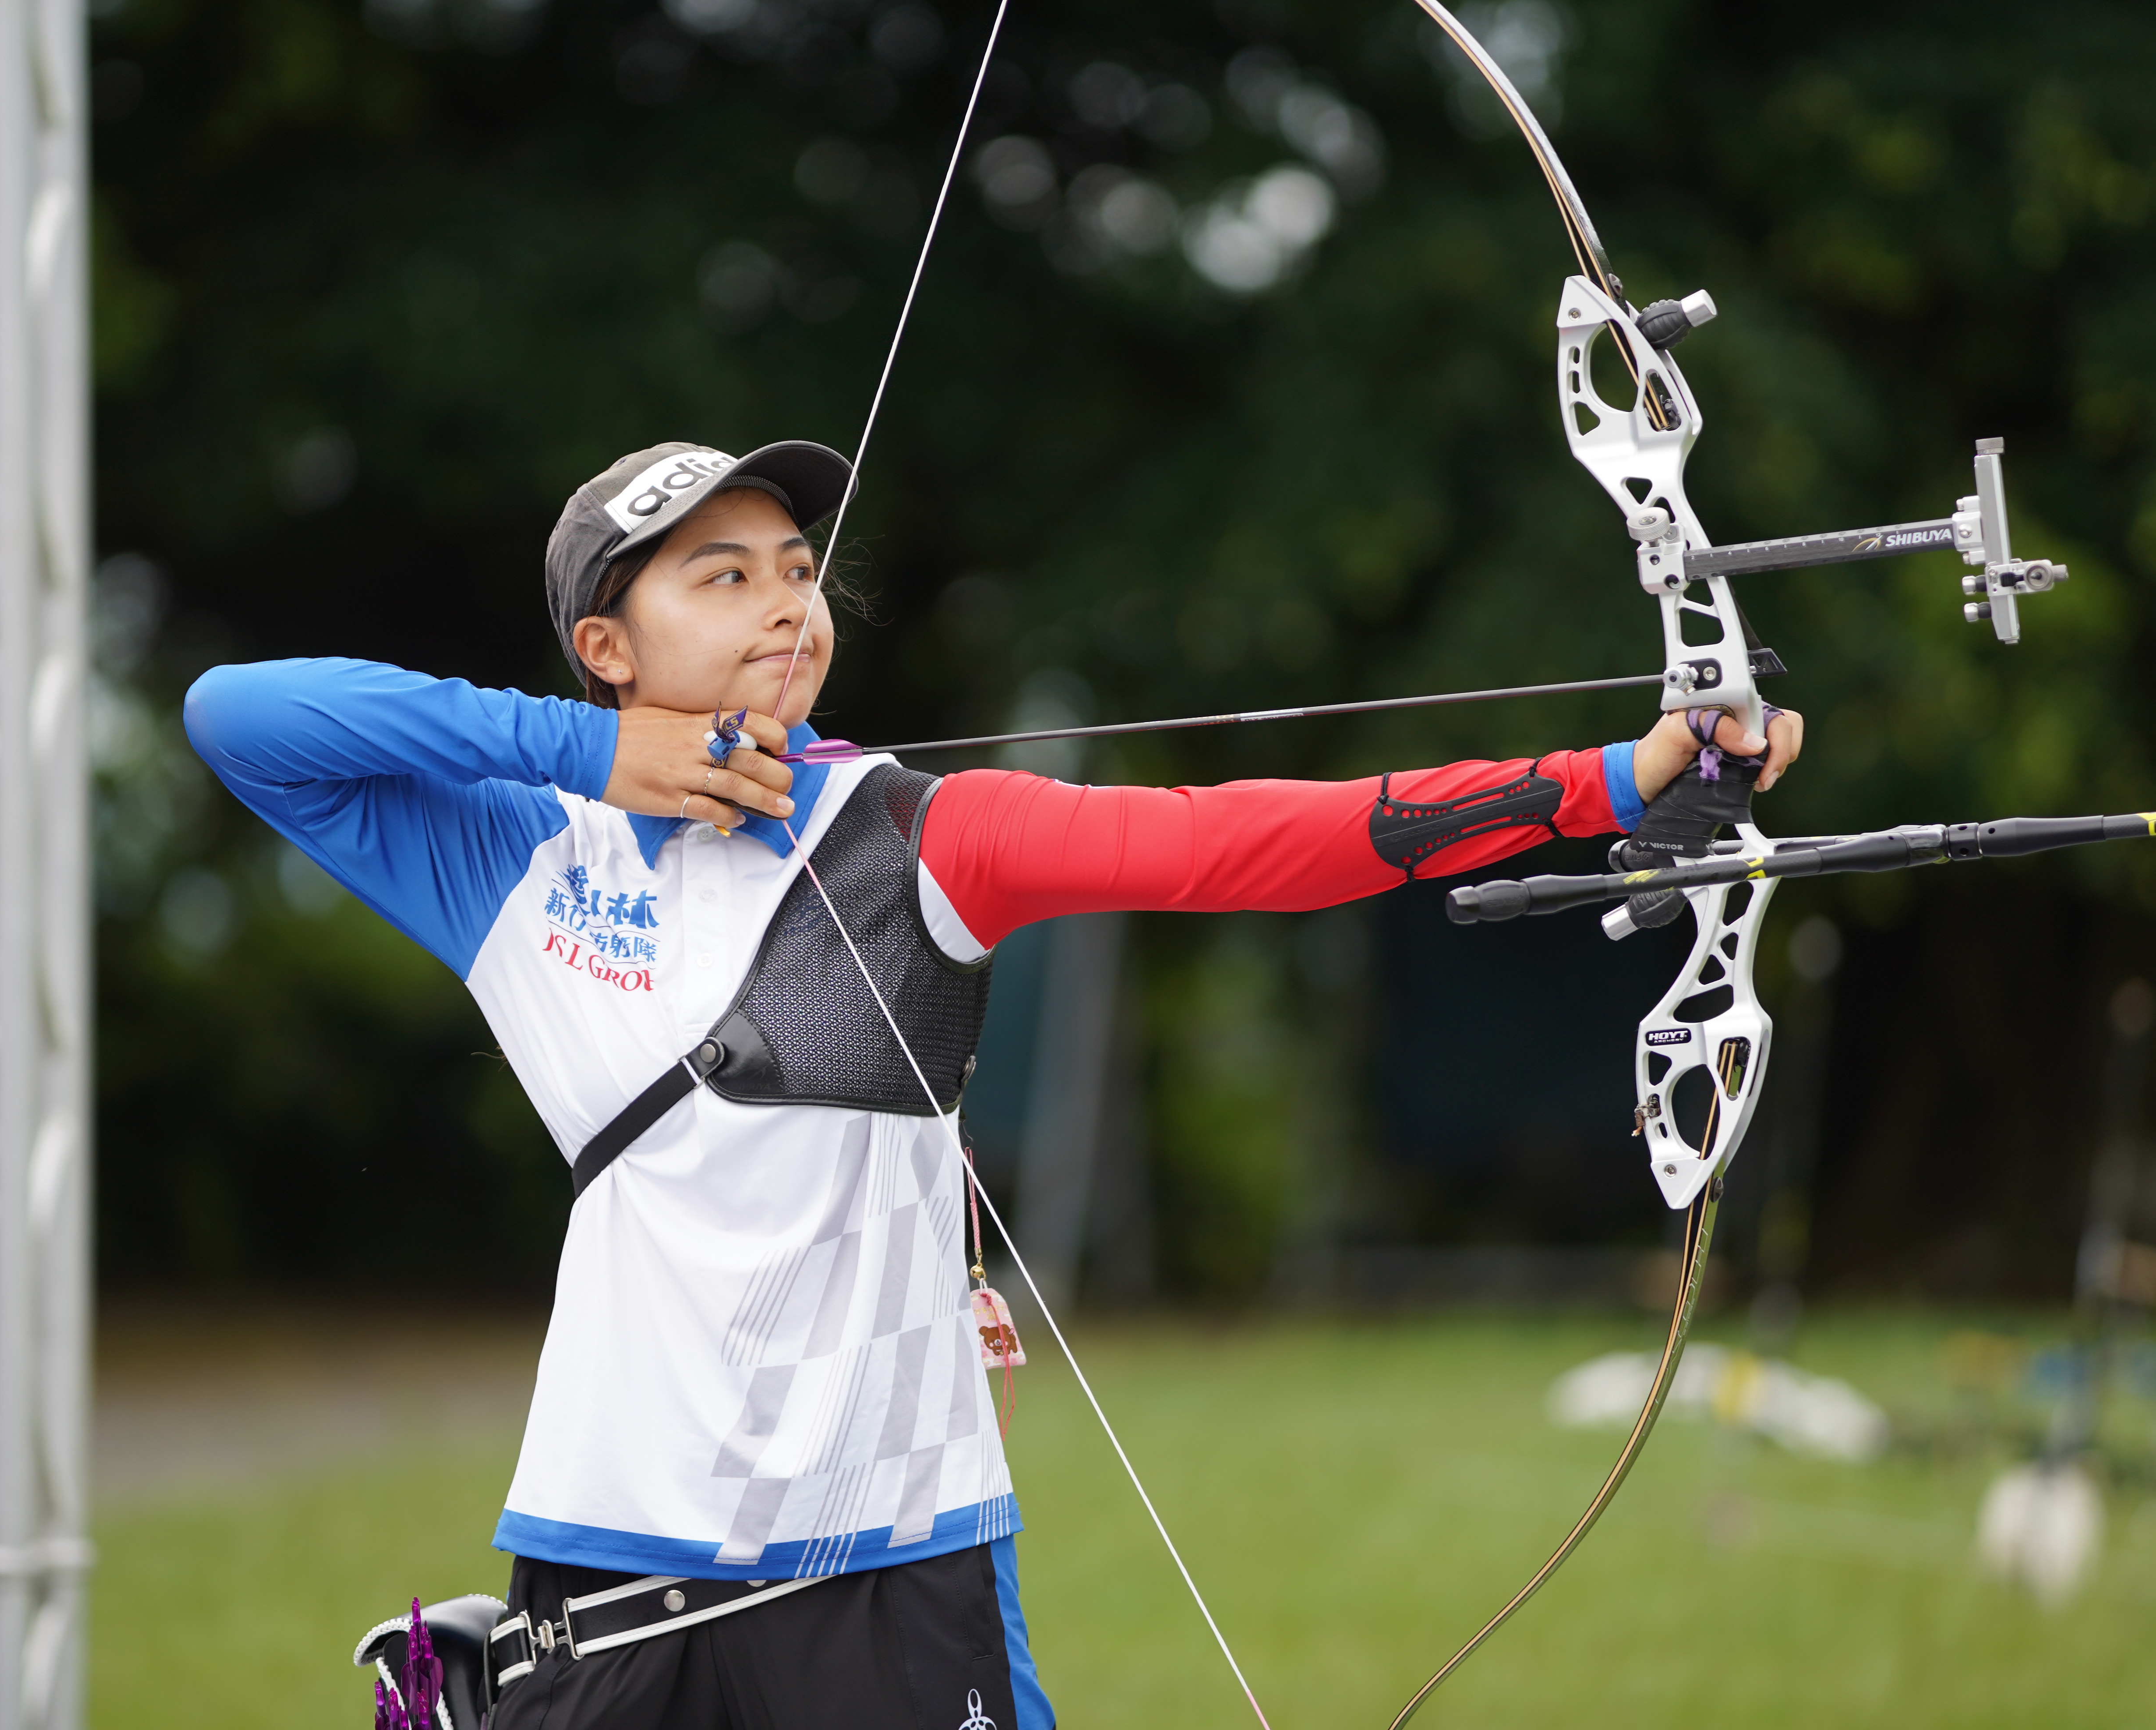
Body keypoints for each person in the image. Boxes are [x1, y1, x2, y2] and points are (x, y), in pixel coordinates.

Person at [185, 440, 1804, 1730]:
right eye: (721, 574)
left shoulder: (918, 836)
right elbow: (239, 715)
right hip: (606, 1543)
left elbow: (1232, 840)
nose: (784, 606)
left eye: (801, 571)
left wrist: (1612, 779)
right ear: (608, 645)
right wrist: (593, 756)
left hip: (890, 1556)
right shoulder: (515, 854)